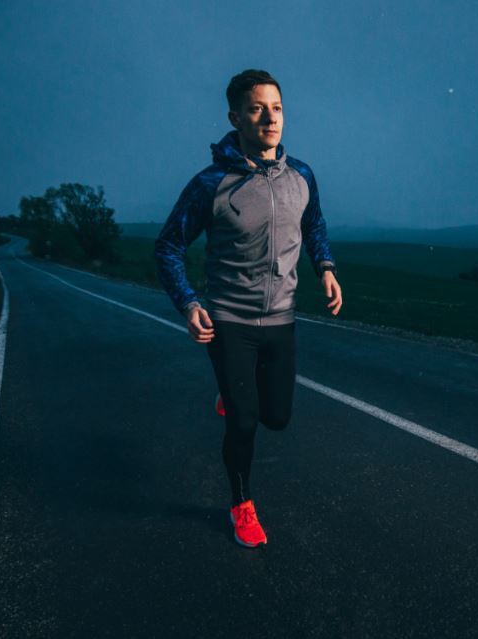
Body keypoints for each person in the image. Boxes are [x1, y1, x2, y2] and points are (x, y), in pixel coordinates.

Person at [154, 69, 342, 548]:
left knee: (275, 417)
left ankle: (234, 394)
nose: (270, 118)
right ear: (235, 117)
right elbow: (168, 247)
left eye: (277, 108)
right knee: (243, 421)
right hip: (229, 320)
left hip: (281, 318)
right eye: (257, 109)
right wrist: (188, 303)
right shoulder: (210, 184)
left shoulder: (302, 174)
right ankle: (242, 505)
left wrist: (325, 266)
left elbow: (314, 222)